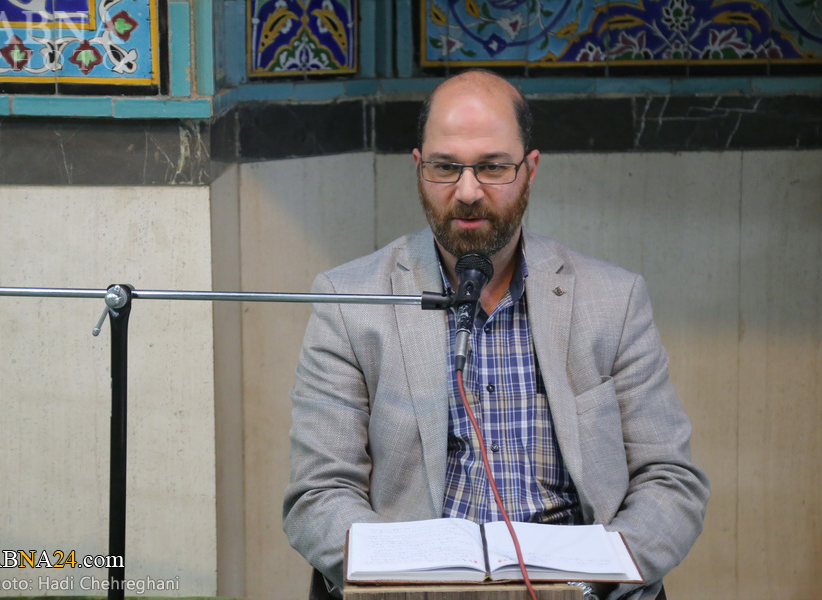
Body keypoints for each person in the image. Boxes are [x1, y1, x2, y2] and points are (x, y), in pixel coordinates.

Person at [283, 70, 709, 600]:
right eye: (445, 167)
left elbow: (669, 480)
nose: (467, 192)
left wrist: (585, 585)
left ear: (530, 169)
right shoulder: (351, 301)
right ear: (419, 167)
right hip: (416, 590)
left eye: (492, 167)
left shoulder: (613, 300)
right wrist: (408, 586)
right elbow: (320, 494)